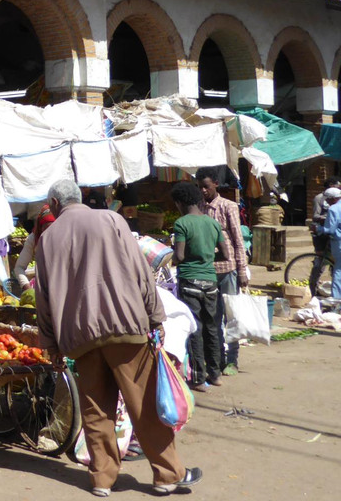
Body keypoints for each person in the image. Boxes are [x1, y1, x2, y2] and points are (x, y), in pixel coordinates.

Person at [35, 179, 201, 497]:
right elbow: (140, 271)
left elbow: (43, 298)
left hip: (79, 335)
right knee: (142, 404)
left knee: (96, 409)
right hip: (124, 325)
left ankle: (102, 479)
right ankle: (168, 474)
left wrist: (51, 346)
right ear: (79, 198)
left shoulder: (48, 239)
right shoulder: (111, 219)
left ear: (55, 205)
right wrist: (155, 317)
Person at [171, 181, 231, 392]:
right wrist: (205, 256)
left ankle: (197, 378)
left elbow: (178, 256)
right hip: (210, 281)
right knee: (212, 327)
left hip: (190, 282)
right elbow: (225, 254)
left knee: (194, 328)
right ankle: (215, 374)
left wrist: (185, 257)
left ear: (179, 202)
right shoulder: (212, 223)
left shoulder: (181, 224)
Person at [196, 167, 248, 377]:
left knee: (231, 316)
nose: (203, 191)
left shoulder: (228, 206)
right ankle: (217, 360)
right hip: (207, 271)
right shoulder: (198, 207)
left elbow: (238, 239)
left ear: (216, 184)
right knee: (213, 318)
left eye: (206, 187)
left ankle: (233, 360)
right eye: (200, 187)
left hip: (228, 270)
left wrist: (243, 269)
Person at [13, 203, 56, 290]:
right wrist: (27, 288)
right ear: (40, 227)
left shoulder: (65, 238)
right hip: (41, 289)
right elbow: (19, 267)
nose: (48, 234)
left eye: (52, 230)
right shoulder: (33, 238)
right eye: (46, 229)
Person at [309, 178, 340, 292]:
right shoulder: (319, 198)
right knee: (320, 263)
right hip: (322, 236)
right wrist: (325, 220)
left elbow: (331, 228)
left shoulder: (336, 206)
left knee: (335, 267)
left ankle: (336, 293)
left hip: (331, 234)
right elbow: (316, 216)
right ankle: (313, 287)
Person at [322, 187, 341, 299]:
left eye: (328, 200)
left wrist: (319, 229)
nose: (327, 203)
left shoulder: (334, 209)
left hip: (339, 243)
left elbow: (330, 229)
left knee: (338, 271)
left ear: (333, 199)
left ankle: (336, 301)